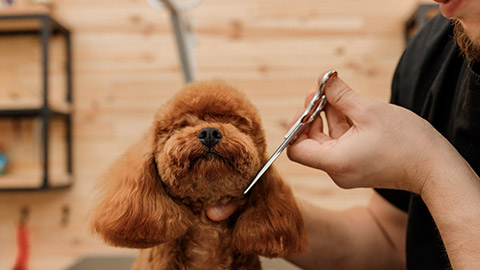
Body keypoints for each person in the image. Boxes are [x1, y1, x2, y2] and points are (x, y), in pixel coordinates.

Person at [206, 0, 480, 269]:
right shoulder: (430, 52)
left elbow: (429, 167)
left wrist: (432, 168)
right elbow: (390, 240)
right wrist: (262, 209)